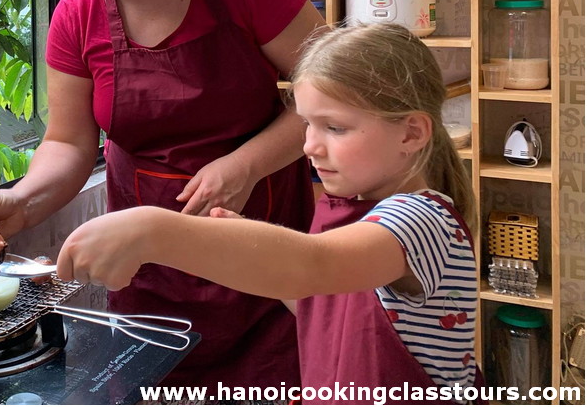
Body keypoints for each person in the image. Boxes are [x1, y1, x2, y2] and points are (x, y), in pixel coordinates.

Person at [0, 0, 323, 388]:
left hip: (263, 255)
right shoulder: (76, 15)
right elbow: (69, 143)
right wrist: (22, 202)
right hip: (147, 272)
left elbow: (335, 94)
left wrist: (244, 166)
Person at [57, 22, 481, 402]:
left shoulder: (424, 219)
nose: (310, 145)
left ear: (411, 132)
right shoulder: (347, 207)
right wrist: (238, 238)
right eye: (308, 124)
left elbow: (313, 266)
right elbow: (320, 302)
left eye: (334, 127)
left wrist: (151, 230)